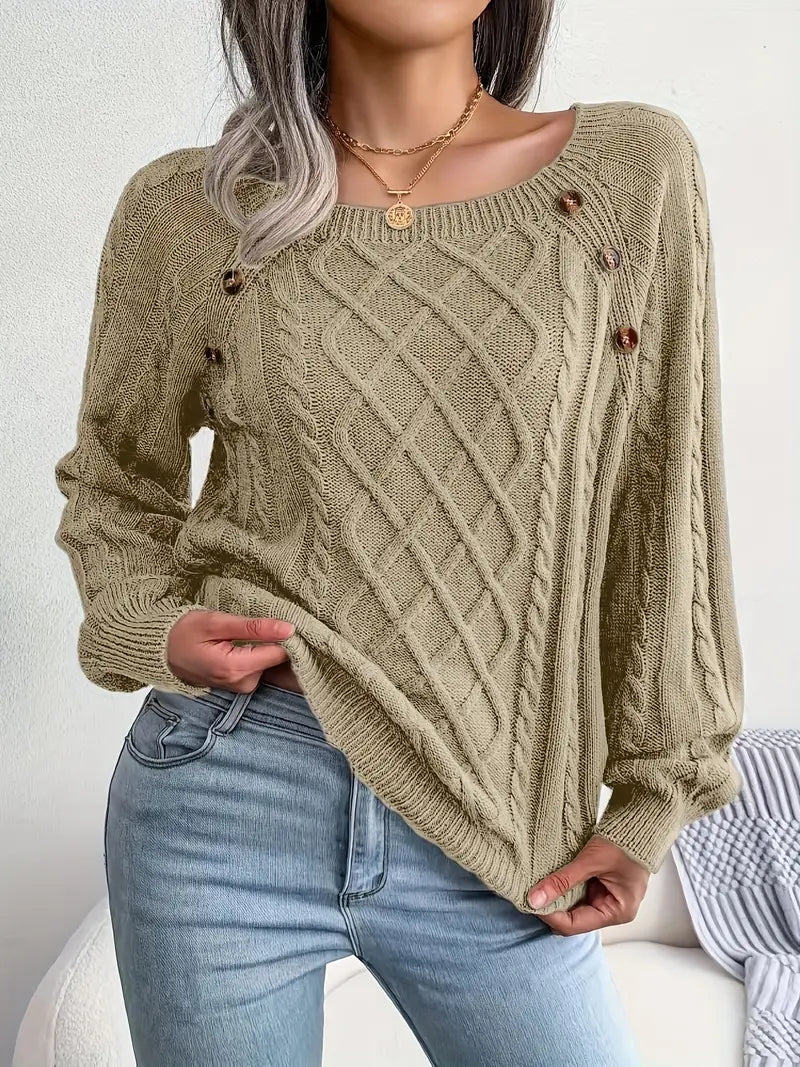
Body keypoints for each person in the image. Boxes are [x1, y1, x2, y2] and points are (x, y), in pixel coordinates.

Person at [53, 1, 745, 1064]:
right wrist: (155, 627)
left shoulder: (628, 175)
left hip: (502, 817)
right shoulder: (193, 212)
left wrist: (650, 801)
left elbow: (664, 503)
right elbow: (114, 478)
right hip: (229, 790)